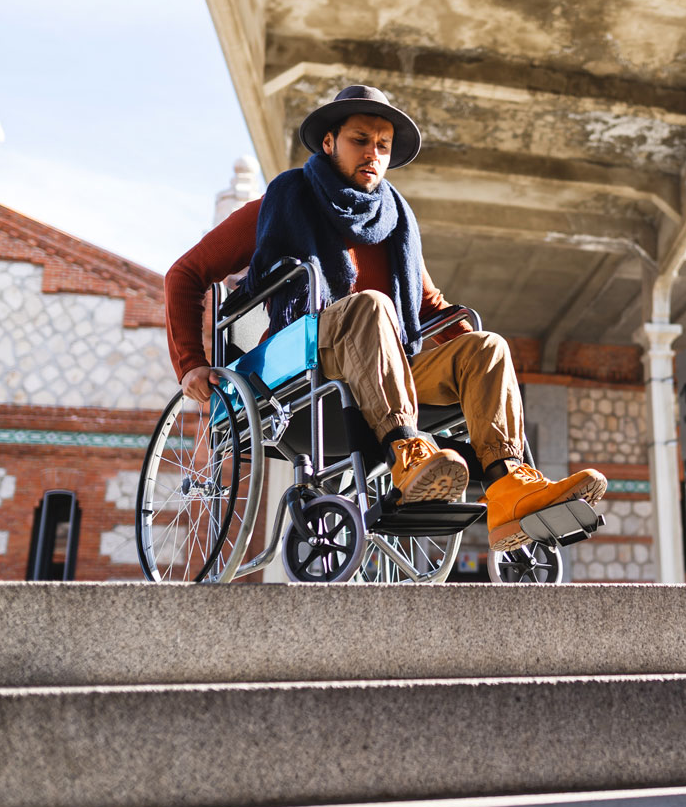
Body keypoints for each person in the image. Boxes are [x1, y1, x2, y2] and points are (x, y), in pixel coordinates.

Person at [164, 85, 606, 551]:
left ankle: (509, 489)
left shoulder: (393, 219)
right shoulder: (282, 203)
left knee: (488, 347)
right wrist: (191, 362)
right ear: (329, 142)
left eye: (383, 145)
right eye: (360, 140)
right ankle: (407, 453)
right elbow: (185, 274)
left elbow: (430, 305)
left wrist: (473, 360)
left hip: (388, 366)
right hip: (311, 364)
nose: (373, 154)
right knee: (373, 305)